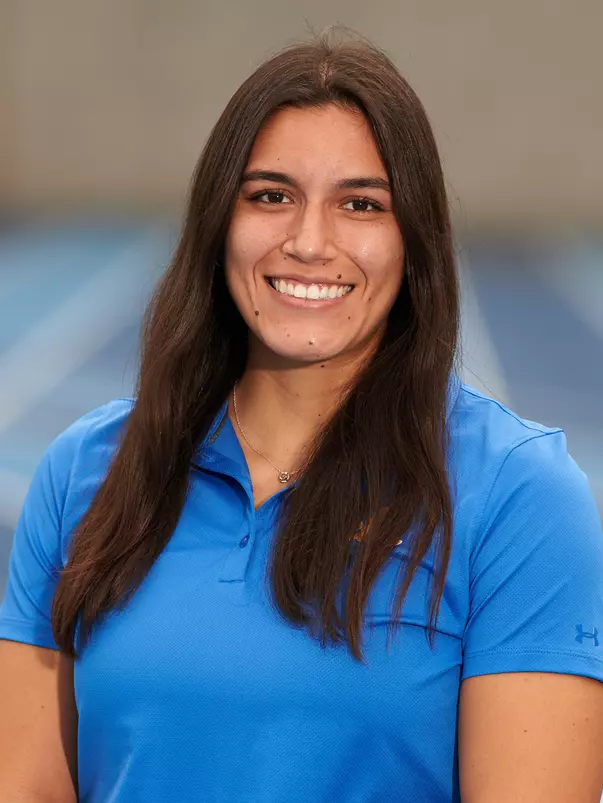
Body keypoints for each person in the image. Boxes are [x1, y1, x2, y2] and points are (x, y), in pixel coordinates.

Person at [1, 31, 602, 803]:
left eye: (360, 204)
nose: (309, 241)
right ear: (221, 220)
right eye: (270, 195)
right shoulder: (88, 472)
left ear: (411, 238)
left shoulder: (518, 498)